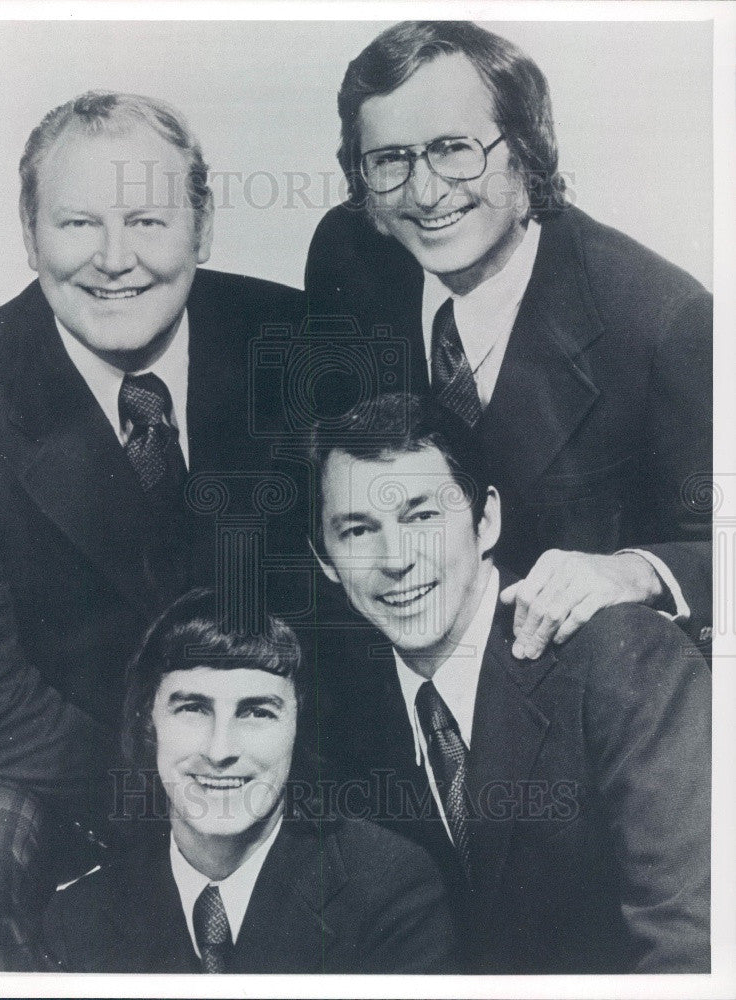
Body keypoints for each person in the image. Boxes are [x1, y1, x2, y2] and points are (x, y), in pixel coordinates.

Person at [0, 91, 305, 969]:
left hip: (291, 759)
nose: (115, 261)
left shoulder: (295, 344)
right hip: (73, 775)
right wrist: (174, 793)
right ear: (29, 235)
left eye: (148, 218)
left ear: (204, 226)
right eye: (77, 223)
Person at [304, 20, 713, 661]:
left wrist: (635, 571)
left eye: (454, 148)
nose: (426, 192)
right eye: (391, 160)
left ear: (524, 152)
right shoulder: (349, 258)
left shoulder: (664, 324)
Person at [307, 393, 710, 974]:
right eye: (357, 531)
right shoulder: (337, 724)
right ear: (326, 562)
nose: (395, 559)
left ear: (486, 519)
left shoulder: (621, 658)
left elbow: (695, 945)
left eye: (421, 516)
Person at [42, 588, 457, 973]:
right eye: (192, 709)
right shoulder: (79, 919)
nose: (220, 750)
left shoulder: (389, 892)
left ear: (299, 727)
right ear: (147, 723)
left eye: (257, 712)